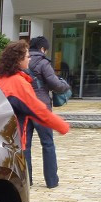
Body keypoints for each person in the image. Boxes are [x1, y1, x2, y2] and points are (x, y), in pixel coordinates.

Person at [0, 41, 69, 187]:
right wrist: (62, 126)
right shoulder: (18, 83)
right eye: (27, 56)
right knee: (44, 145)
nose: (30, 59)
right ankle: (47, 181)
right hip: (14, 138)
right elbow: (38, 111)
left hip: (2, 137)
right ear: (18, 59)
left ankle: (28, 181)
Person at [27, 36, 71, 188]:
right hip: (41, 108)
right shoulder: (43, 62)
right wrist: (65, 86)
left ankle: (27, 180)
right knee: (47, 144)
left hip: (23, 107)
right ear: (42, 49)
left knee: (25, 145)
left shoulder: (21, 62)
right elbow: (55, 84)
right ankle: (51, 181)